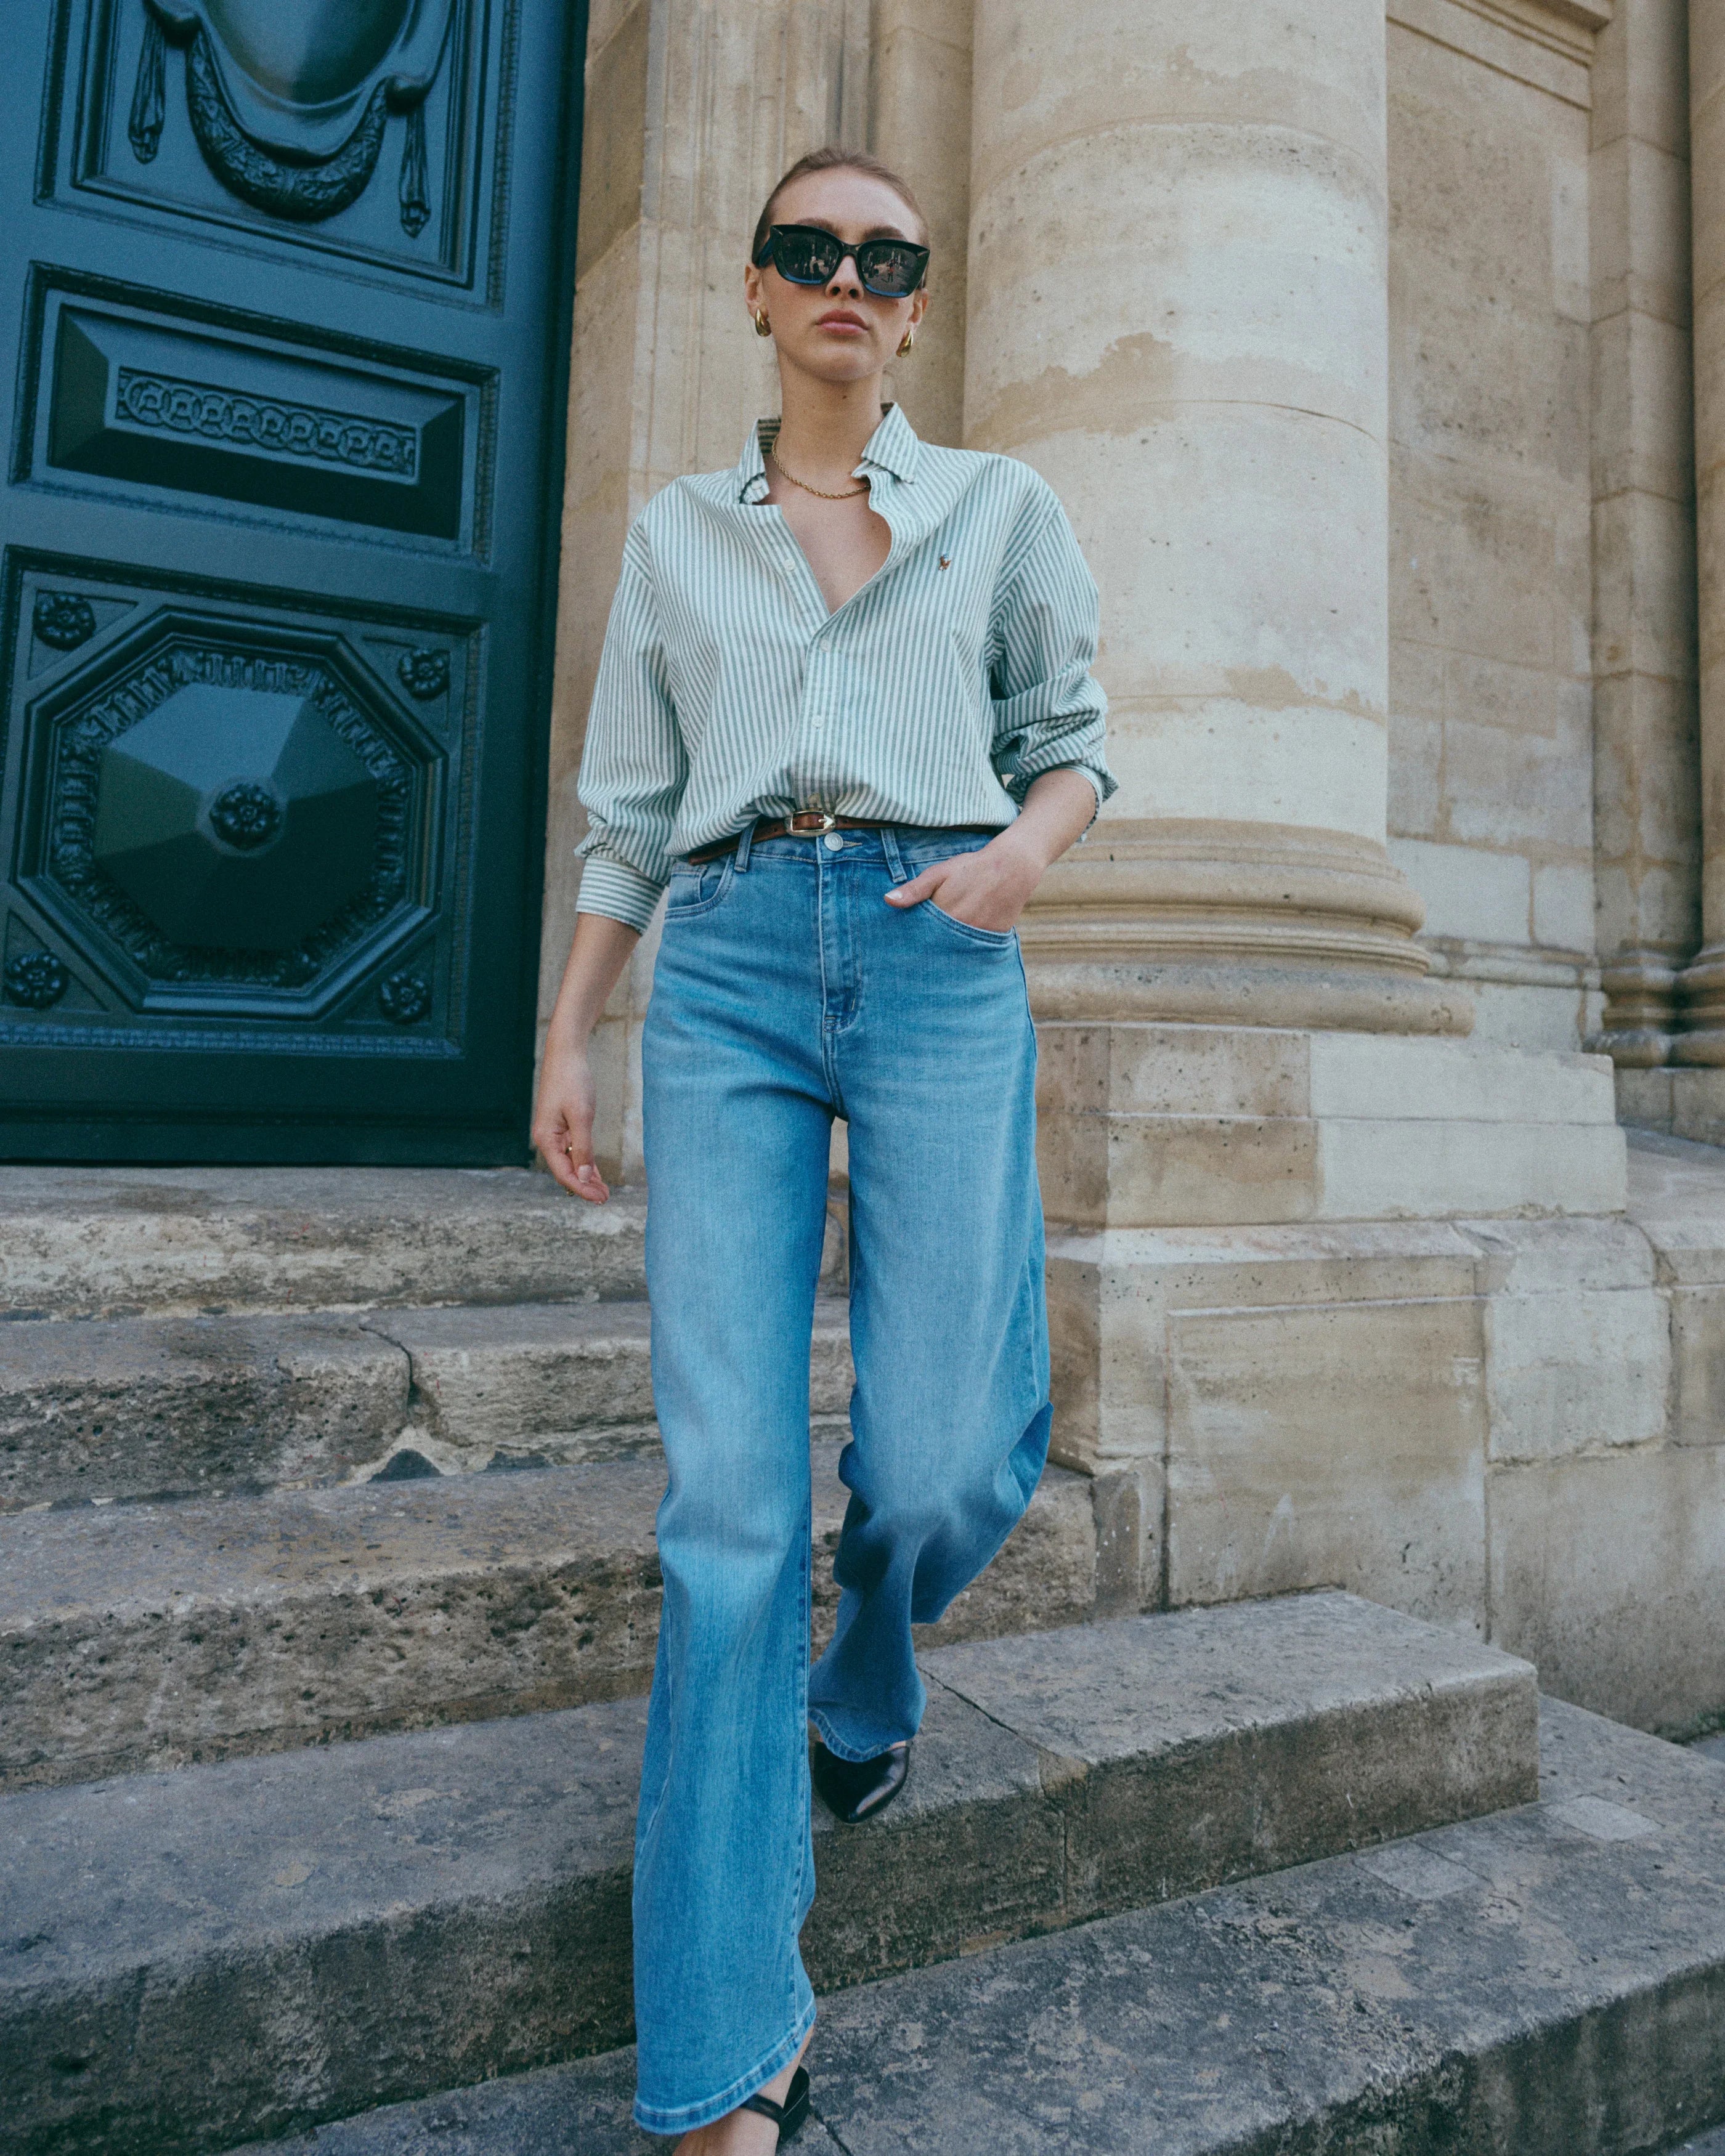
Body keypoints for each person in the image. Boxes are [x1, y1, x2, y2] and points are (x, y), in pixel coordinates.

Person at [530, 144, 1113, 2152]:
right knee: (727, 1507)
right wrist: (571, 1031)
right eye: (808, 250)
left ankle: (871, 1654)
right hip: (729, 967)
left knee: (946, 1456)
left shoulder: (1002, 507)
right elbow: (627, 811)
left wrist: (1022, 857)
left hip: (942, 946)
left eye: (883, 255)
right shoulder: (676, 536)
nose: (845, 278)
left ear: (918, 305)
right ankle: (725, 2052)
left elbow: (1075, 739)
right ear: (757, 292)